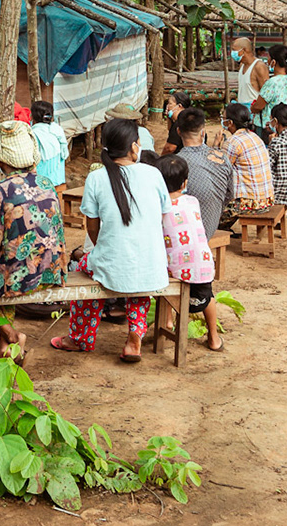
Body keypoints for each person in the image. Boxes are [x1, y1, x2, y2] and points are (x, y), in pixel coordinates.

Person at [52, 119, 170, 362]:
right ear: (134, 147)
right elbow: (163, 219)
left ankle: (81, 337)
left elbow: (92, 229)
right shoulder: (154, 174)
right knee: (137, 281)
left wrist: (105, 250)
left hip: (112, 265)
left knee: (84, 269)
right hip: (153, 266)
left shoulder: (96, 178)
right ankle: (134, 338)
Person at [0, 121, 62, 354]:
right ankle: (4, 348)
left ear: (0, 159)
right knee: (1, 268)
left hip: (19, 277)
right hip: (51, 270)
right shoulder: (48, 185)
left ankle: (11, 336)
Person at [153, 153, 222, 352]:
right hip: (204, 266)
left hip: (174, 269)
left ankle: (167, 321)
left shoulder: (159, 207)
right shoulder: (192, 201)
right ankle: (214, 338)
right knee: (208, 298)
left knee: (163, 279)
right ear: (185, 183)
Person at [172, 108, 232, 238]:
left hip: (185, 230)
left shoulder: (175, 163)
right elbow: (230, 194)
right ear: (203, 132)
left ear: (178, 132)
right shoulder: (222, 158)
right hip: (212, 222)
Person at [221, 102, 274, 217]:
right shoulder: (254, 136)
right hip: (266, 199)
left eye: (224, 119)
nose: (222, 122)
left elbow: (221, 171)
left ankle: (223, 231)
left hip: (250, 203)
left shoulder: (232, 142)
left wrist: (216, 147)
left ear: (230, 123)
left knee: (212, 210)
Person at [254, 44, 287, 130]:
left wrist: (252, 108)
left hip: (269, 127)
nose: (267, 61)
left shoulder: (272, 83)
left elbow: (258, 106)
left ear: (273, 62)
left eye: (268, 58)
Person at [28, 100, 69, 188]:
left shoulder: (33, 134)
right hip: (59, 180)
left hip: (40, 183)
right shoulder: (57, 130)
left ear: (32, 116)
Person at [233, 37, 268, 110]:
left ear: (243, 50)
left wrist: (255, 108)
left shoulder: (259, 66)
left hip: (254, 112)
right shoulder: (242, 65)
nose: (232, 53)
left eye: (234, 50)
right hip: (242, 111)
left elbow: (266, 94)